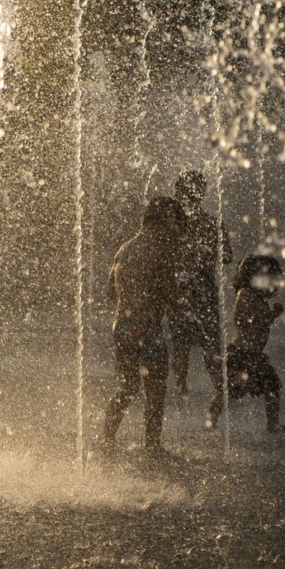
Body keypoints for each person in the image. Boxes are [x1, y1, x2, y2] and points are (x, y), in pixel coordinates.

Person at [100, 196, 187, 461]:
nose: (178, 229)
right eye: (176, 222)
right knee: (156, 388)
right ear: (165, 221)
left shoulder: (125, 248)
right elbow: (170, 294)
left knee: (127, 387)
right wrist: (182, 309)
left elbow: (110, 290)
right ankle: (152, 445)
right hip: (147, 327)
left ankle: (106, 439)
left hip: (123, 325)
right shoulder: (160, 250)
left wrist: (129, 313)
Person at [169, 170, 233, 403]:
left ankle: (181, 386)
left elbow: (164, 255)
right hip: (204, 289)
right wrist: (206, 251)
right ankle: (219, 386)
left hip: (182, 290)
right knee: (209, 340)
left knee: (181, 340)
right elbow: (227, 256)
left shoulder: (173, 226)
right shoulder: (212, 223)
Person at [220, 255, 285, 433]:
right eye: (269, 279)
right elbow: (240, 318)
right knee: (229, 390)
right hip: (241, 354)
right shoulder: (245, 294)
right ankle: (210, 419)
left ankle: (273, 424)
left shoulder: (258, 297)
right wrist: (268, 316)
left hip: (254, 355)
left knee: (272, 384)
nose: (273, 285)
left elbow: (259, 319)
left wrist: (269, 315)